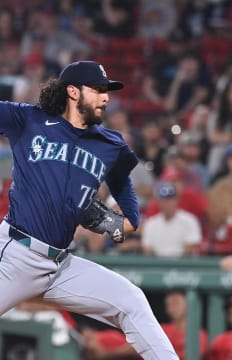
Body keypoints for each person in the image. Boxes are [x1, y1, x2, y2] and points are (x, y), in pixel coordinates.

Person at [0, 60, 178, 359]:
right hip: (15, 254)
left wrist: (127, 222)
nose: (105, 97)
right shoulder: (28, 120)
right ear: (72, 92)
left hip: (59, 266)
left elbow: (122, 182)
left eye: (106, 91)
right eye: (97, 90)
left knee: (131, 300)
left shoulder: (109, 143)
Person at [141, 181, 202, 257]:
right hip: (159, 266)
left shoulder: (190, 220)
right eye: (164, 200)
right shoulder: (151, 223)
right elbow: (147, 249)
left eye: (170, 199)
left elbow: (191, 247)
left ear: (177, 200)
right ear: (159, 202)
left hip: (184, 266)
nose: (167, 203)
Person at [161, 290, 208, 360]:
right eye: (168, 304)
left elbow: (195, 354)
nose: (171, 309)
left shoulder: (199, 334)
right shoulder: (161, 329)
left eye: (176, 303)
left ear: (188, 303)